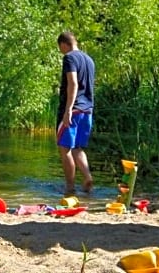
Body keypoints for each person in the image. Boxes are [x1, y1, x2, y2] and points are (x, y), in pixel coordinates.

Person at [56, 30, 95, 196]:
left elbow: (73, 83)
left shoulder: (69, 58)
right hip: (87, 111)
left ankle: (70, 188)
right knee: (78, 148)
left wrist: (68, 110)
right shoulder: (89, 60)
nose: (61, 51)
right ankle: (87, 178)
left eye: (60, 48)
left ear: (64, 44)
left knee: (65, 149)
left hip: (73, 110)